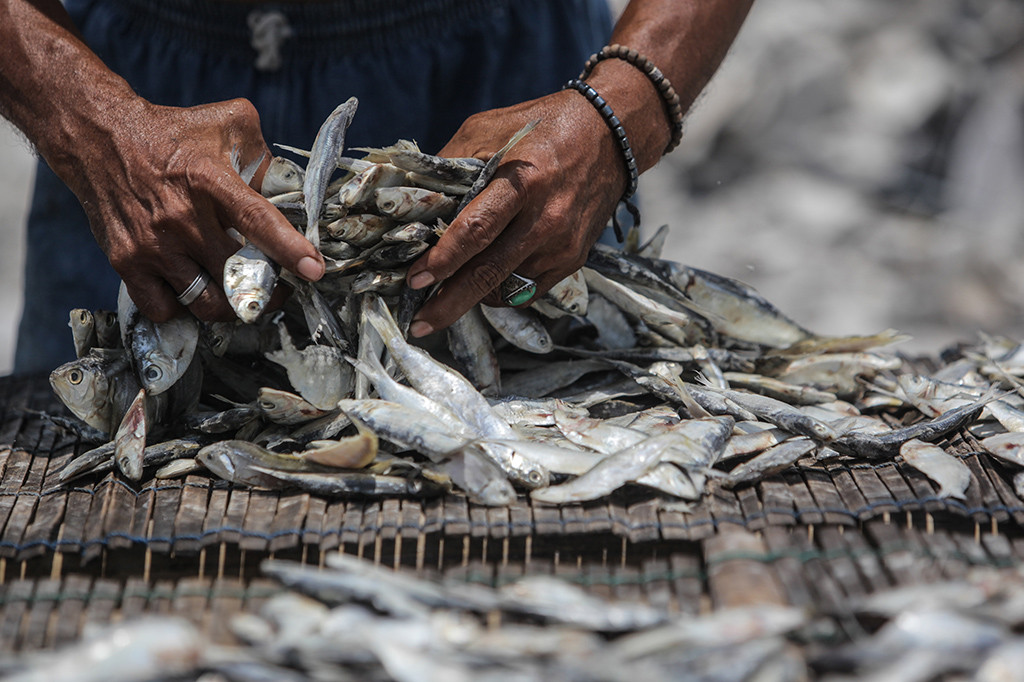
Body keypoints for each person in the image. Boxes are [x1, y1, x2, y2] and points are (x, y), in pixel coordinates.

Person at [1, 0, 754, 374]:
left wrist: (625, 107)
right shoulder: (107, 128)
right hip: (135, 118)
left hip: (515, 96)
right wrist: (92, 127)